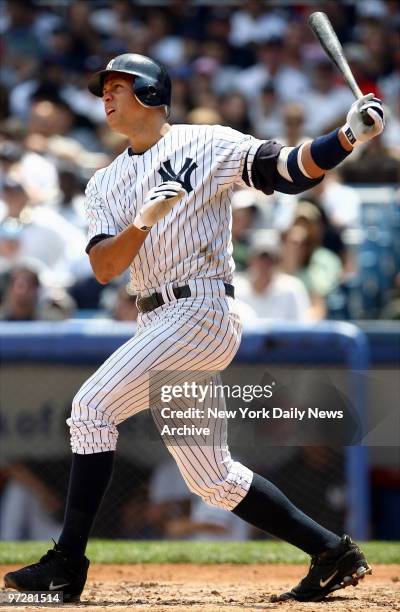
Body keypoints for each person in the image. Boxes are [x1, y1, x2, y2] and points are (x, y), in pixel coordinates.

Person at [4, 53, 384, 604]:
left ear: (154, 94)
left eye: (119, 86)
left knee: (91, 409)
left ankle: (66, 562)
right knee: (214, 479)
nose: (105, 96)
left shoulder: (207, 143)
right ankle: (332, 552)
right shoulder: (104, 183)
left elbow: (288, 168)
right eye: (103, 88)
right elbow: (106, 267)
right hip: (157, 319)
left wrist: (347, 136)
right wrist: (142, 224)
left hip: (201, 309)